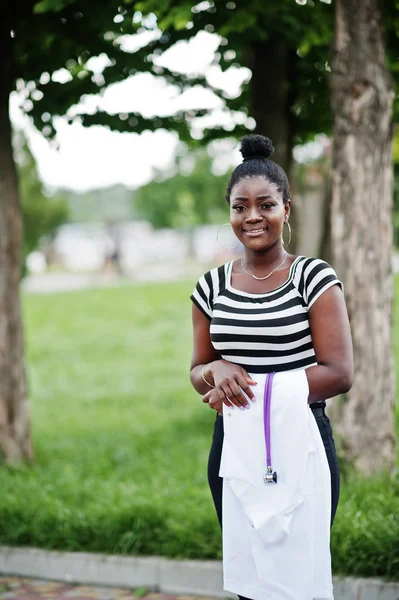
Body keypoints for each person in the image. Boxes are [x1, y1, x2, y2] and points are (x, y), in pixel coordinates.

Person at [189, 134, 354, 600]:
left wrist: (252, 386)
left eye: (265, 205)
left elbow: (339, 371)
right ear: (230, 212)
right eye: (240, 207)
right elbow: (197, 370)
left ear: (286, 207)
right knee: (251, 581)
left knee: (299, 579)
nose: (252, 217)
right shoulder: (211, 287)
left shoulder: (312, 277)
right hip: (234, 446)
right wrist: (217, 369)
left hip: (300, 440)